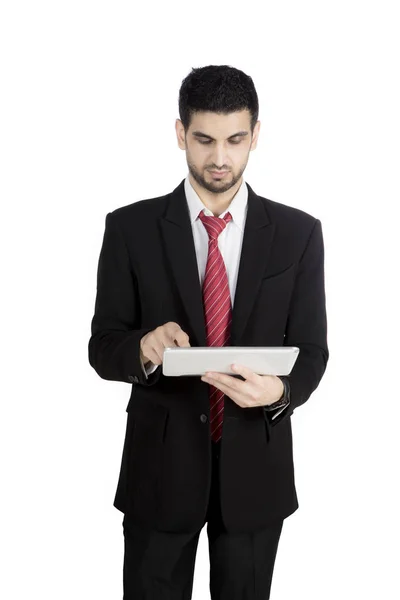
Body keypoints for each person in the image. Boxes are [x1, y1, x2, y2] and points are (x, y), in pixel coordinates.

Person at [88, 64, 329, 599]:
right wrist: (142, 349)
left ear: (255, 135)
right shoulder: (129, 229)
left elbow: (312, 351)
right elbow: (103, 346)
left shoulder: (298, 234)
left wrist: (281, 393)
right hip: (159, 473)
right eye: (204, 140)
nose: (219, 158)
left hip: (256, 475)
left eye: (235, 139)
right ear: (181, 134)